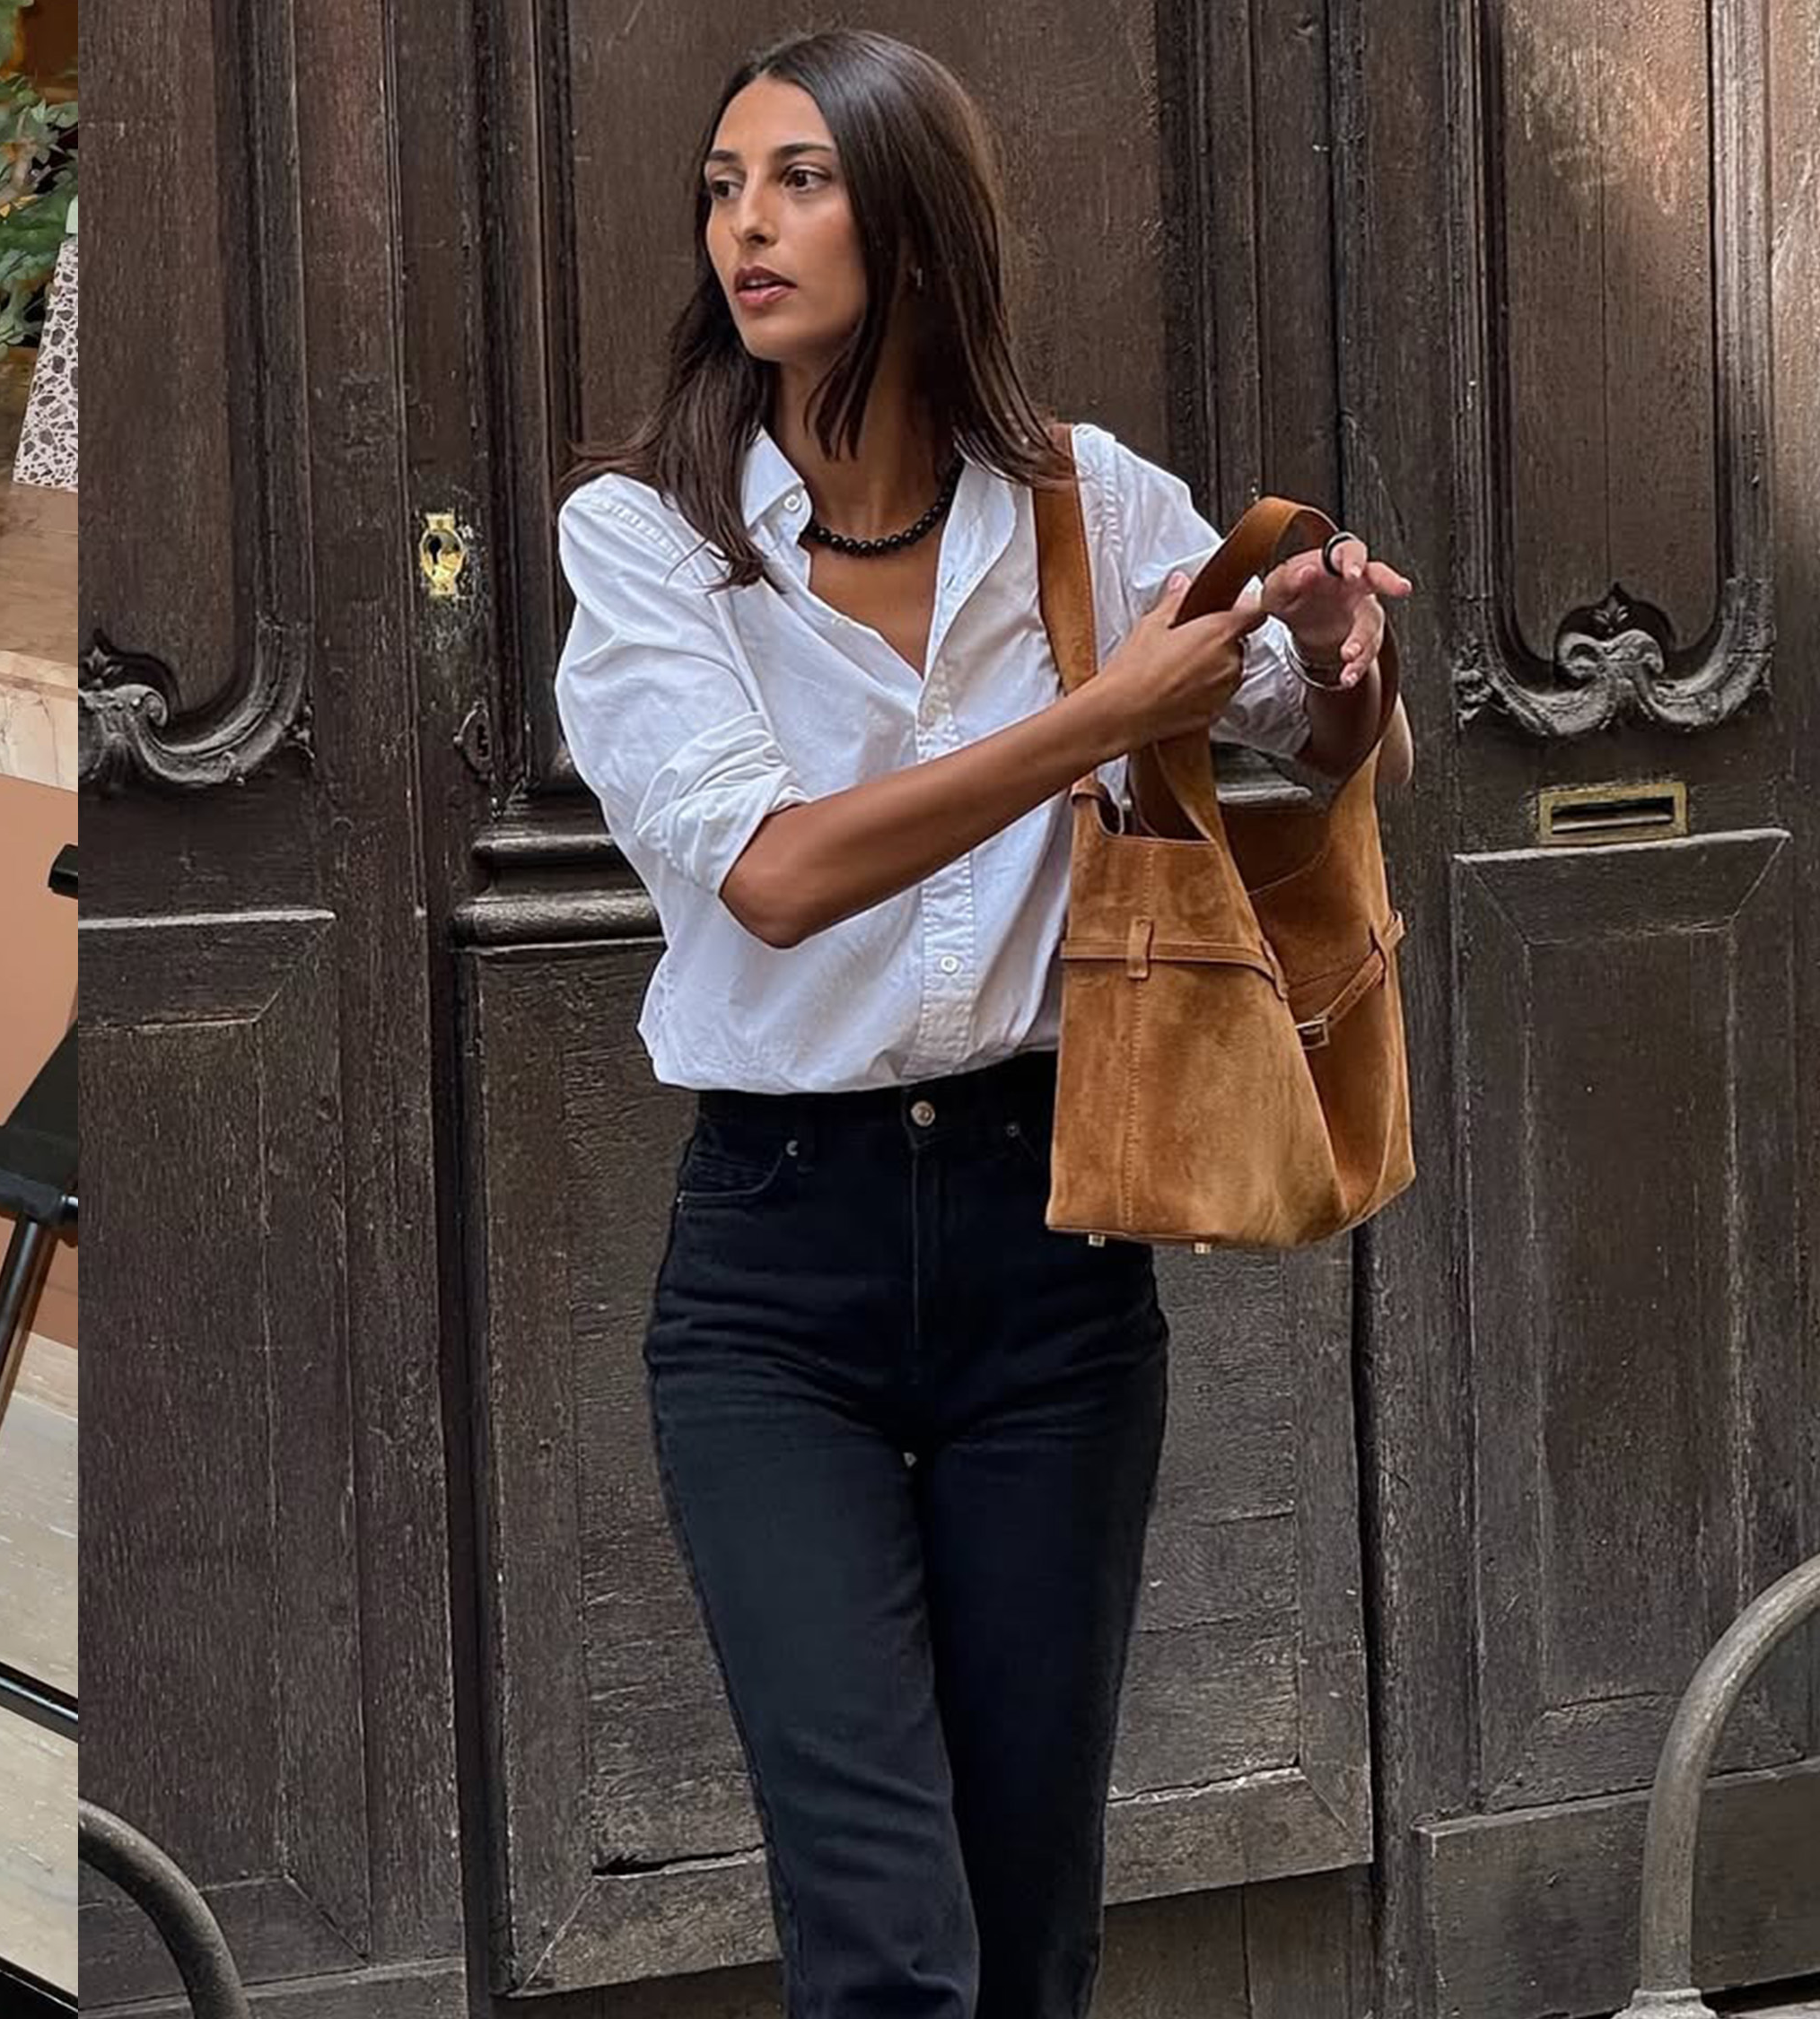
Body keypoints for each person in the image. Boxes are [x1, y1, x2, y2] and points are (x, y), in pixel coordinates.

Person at [551, 30, 1412, 2018]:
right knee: (885, 1940)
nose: (746, 226)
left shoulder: (1085, 505)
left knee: (1025, 1929)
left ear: (917, 229)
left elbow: (1314, 743)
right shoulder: (651, 535)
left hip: (1053, 1268)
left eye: (799, 180)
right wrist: (1098, 718)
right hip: (777, 1277)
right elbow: (771, 875)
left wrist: (1336, 649)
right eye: (722, 187)